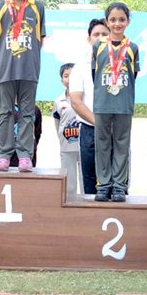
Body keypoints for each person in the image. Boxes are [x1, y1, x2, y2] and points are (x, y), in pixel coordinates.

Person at [0, 0, 46, 172]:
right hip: (6, 69)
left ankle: (24, 155)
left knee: (27, 113)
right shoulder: (0, 8)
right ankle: (4, 155)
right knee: (4, 112)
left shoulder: (37, 8)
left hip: (29, 70)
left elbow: (40, 39)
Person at [92, 2, 139, 203]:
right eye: (113, 20)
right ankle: (103, 185)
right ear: (107, 21)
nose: (117, 23)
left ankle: (119, 186)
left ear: (128, 21)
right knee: (102, 144)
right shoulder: (98, 46)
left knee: (122, 144)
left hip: (123, 104)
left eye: (121, 20)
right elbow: (94, 74)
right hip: (102, 103)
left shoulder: (133, 48)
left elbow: (133, 76)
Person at [70, 19, 109, 195]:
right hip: (89, 129)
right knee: (90, 180)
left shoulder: (120, 65)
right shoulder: (80, 67)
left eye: (105, 34)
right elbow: (76, 101)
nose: (100, 38)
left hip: (114, 128)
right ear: (89, 39)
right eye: (96, 34)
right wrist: (98, 123)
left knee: (117, 181)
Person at [53, 63, 81, 197]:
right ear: (61, 80)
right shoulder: (59, 101)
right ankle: (70, 201)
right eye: (66, 76)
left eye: (73, 75)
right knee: (69, 181)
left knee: (86, 178)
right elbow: (57, 123)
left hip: (85, 145)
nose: (69, 79)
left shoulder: (86, 98)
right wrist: (62, 140)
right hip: (67, 147)